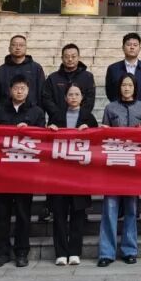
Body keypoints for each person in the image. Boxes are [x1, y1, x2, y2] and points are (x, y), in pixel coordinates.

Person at [0, 75, 45, 268]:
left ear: (28, 90)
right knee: (2, 213)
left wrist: (30, 130)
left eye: (23, 88)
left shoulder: (36, 112)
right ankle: (1, 252)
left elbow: (42, 139)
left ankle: (22, 252)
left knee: (23, 213)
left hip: (25, 171)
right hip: (3, 171)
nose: (19, 91)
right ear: (10, 90)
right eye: (16, 88)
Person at [98, 74, 141, 266]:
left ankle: (129, 250)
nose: (126, 88)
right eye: (123, 85)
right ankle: (106, 253)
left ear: (135, 87)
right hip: (113, 165)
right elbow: (104, 136)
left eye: (130, 85)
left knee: (131, 209)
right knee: (110, 209)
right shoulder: (110, 108)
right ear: (119, 87)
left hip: (133, 166)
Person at [47, 84, 97, 266]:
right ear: (65, 98)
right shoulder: (56, 117)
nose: (74, 97)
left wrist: (90, 131)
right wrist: (50, 131)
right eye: (70, 94)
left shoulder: (89, 117)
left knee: (78, 214)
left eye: (77, 94)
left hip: (79, 174)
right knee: (59, 214)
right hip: (59, 174)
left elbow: (97, 144)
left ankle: (75, 251)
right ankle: (61, 252)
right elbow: (47, 144)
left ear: (82, 97)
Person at [0, 34, 46, 111]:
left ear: (26, 48)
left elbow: (41, 93)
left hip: (31, 112)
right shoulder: (0, 70)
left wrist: (40, 113)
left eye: (21, 45)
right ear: (9, 48)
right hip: (5, 113)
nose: (18, 48)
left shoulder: (36, 68)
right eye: (14, 45)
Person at [43, 43, 96, 122]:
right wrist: (58, 116)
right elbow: (47, 99)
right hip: (57, 122)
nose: (70, 59)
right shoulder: (53, 78)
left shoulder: (87, 77)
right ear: (62, 58)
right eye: (67, 57)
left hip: (81, 122)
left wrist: (81, 116)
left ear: (79, 57)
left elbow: (89, 100)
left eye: (73, 56)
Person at [104, 31, 141, 110]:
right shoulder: (113, 69)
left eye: (135, 45)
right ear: (123, 47)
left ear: (139, 48)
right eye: (129, 44)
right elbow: (110, 93)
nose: (132, 47)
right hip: (119, 112)